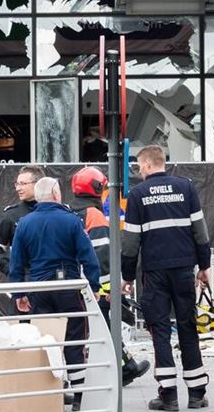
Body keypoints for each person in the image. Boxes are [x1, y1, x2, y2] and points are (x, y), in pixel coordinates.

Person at [122, 145, 211, 411]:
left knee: (159, 330)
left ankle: (168, 396)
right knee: (187, 326)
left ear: (149, 164)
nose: (138, 171)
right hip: (184, 269)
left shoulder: (138, 195)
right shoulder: (186, 187)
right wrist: (204, 266)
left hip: (154, 272)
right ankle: (196, 394)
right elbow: (200, 232)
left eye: (139, 166)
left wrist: (127, 276)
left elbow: (130, 241)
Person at [9, 177, 101, 411]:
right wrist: (94, 285)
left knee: (47, 341)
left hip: (39, 290)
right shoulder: (71, 221)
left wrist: (18, 294)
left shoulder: (24, 223)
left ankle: (50, 396)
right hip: (67, 288)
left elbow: (16, 263)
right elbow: (87, 256)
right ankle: (79, 396)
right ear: (56, 194)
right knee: (74, 339)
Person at [69, 165, 150, 387]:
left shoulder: (69, 211)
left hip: (76, 284)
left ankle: (122, 367)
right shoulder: (94, 216)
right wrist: (107, 290)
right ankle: (125, 369)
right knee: (105, 328)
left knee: (89, 330)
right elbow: (102, 255)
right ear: (96, 189)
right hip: (94, 288)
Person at [0, 165, 45, 277]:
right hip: (26, 283)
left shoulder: (58, 212)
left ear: (38, 184)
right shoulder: (11, 215)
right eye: (17, 184)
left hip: (56, 281)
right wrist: (12, 270)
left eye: (23, 184)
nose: (18, 188)